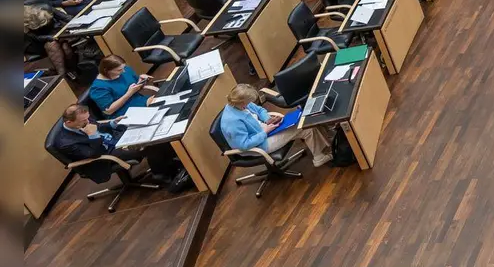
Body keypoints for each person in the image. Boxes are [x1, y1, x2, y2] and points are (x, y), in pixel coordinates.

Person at [49, 101, 186, 190]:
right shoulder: (65, 143)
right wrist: (93, 135)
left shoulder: (82, 118)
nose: (87, 122)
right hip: (106, 154)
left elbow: (97, 124)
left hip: (114, 139)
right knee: (149, 145)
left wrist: (112, 123)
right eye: (83, 121)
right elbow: (94, 154)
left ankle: (170, 163)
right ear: (68, 123)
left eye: (87, 118)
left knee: (156, 134)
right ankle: (161, 174)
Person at [219, 83, 333, 165]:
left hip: (262, 130)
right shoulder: (232, 122)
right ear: (242, 102)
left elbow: (259, 110)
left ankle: (323, 150)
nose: (250, 104)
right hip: (258, 145)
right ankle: (320, 156)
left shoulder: (239, 103)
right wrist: (265, 132)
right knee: (304, 128)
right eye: (248, 102)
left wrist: (267, 119)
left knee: (303, 125)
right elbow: (244, 144)